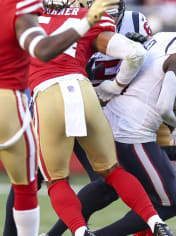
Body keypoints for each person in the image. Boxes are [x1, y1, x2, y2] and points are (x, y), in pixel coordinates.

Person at [64, 3, 176, 235]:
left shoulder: (163, 40)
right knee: (158, 197)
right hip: (128, 125)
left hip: (115, 118)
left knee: (119, 185)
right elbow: (160, 99)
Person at [28, 1, 176, 235]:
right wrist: (114, 87)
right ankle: (155, 221)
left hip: (47, 95)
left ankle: (80, 231)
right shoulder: (86, 17)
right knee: (112, 171)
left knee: (56, 180)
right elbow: (135, 53)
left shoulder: (26, 21)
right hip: (85, 91)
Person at [0, 0, 118, 235]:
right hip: (42, 100)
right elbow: (43, 50)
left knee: (107, 182)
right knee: (29, 182)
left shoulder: (120, 23)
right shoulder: (31, 11)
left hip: (77, 103)